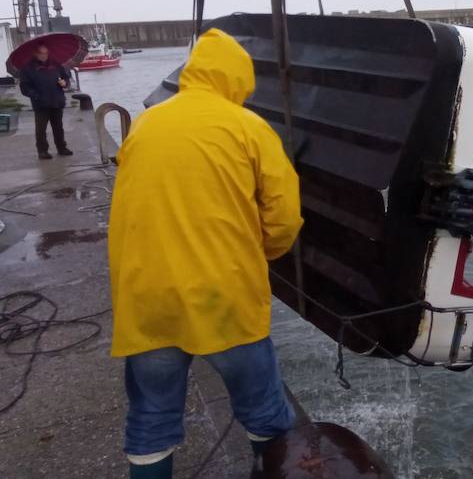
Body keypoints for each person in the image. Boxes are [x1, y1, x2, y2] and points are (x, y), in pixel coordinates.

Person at [108, 29, 303, 479]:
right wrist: (264, 253)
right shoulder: (248, 126)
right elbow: (284, 215)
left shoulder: (148, 122)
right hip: (224, 296)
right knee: (265, 414)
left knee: (151, 420)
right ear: (237, 79)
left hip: (147, 297)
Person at [18, 43, 73, 159]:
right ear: (35, 54)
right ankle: (42, 151)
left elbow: (66, 77)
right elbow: (24, 87)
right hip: (40, 103)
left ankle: (61, 147)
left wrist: (65, 83)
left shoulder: (56, 65)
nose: (44, 56)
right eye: (41, 53)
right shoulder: (27, 68)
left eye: (46, 53)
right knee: (40, 129)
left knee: (58, 127)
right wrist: (35, 95)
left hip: (57, 101)